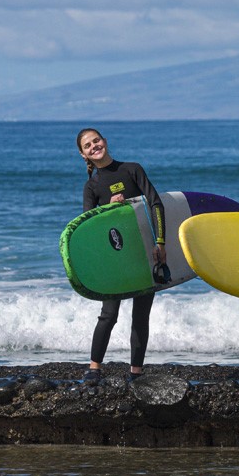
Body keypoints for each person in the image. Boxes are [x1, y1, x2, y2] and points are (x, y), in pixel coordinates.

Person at [76, 128, 166, 383]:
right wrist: (109, 209)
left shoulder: (132, 169)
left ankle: (136, 372)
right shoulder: (91, 186)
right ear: (83, 154)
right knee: (109, 314)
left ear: (104, 141)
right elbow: (88, 227)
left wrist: (161, 242)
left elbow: (155, 203)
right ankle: (94, 368)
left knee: (141, 315)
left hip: (144, 250)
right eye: (88, 145)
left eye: (96, 140)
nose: (94, 146)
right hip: (113, 257)